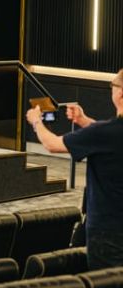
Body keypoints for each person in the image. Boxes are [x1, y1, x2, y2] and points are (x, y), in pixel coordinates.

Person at [26, 69, 123, 268]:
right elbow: (108, 138)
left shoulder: (104, 133)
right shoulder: (106, 133)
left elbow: (52, 144)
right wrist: (84, 121)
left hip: (108, 231)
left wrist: (36, 121)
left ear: (120, 94)